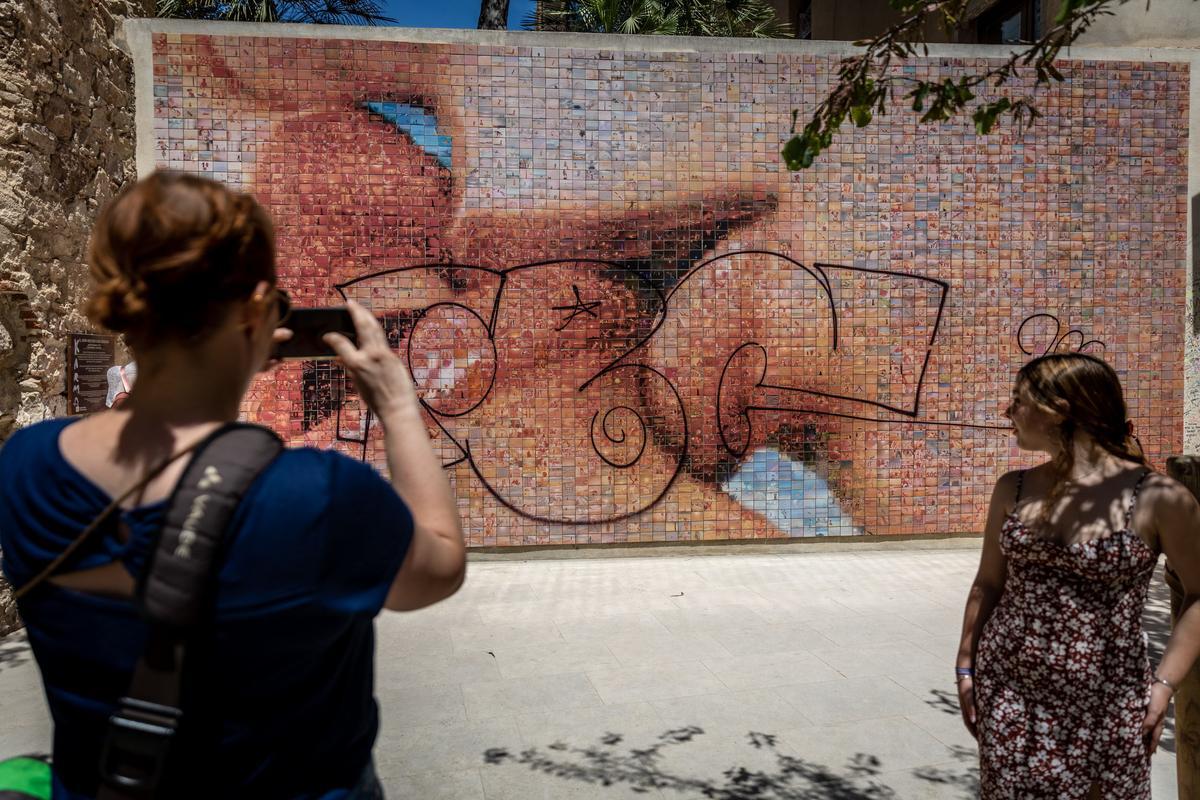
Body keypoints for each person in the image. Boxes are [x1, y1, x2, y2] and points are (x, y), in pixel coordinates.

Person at [0, 171, 467, 798]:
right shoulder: (318, 496)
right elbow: (438, 566)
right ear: (257, 311)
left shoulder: (27, 465)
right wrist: (399, 407)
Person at [956, 352, 1200, 798]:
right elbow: (988, 583)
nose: (1007, 412)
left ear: (1059, 411)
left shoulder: (1158, 497)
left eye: (1018, 400)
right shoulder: (1012, 487)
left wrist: (1163, 687)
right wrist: (966, 668)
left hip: (1108, 702)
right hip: (1010, 693)